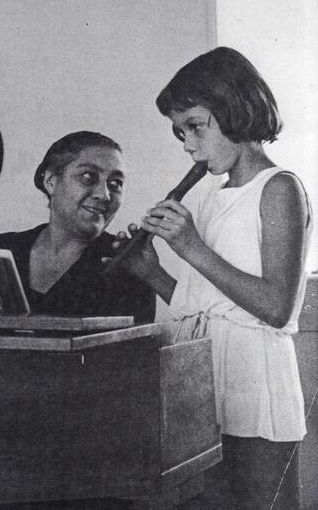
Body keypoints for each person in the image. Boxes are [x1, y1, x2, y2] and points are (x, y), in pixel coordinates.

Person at [111, 47, 312, 509]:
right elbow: (208, 304)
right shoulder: (210, 196)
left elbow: (277, 308)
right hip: (207, 376)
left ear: (235, 109)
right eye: (180, 133)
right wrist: (151, 272)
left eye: (196, 127)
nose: (188, 145)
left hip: (258, 380)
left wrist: (191, 247)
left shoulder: (279, 188)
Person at [0, 130, 155, 324]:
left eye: (115, 183)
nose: (104, 195)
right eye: (88, 176)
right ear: (50, 181)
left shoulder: (129, 267)